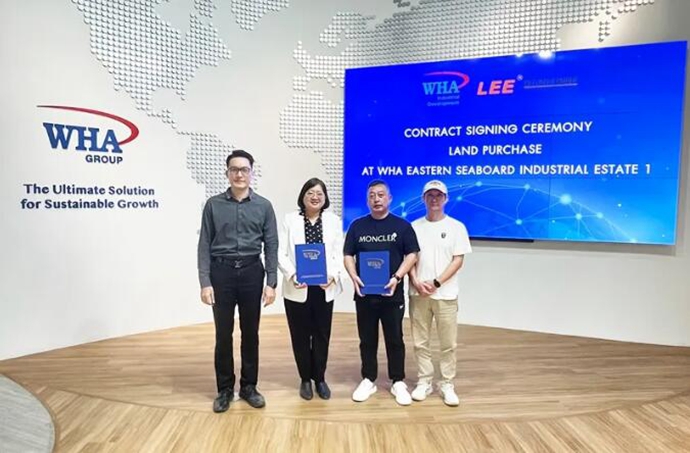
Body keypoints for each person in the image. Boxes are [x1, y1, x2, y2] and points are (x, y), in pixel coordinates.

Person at [197, 149, 278, 412]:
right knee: (223, 334)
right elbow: (204, 244)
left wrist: (271, 282)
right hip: (221, 274)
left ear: (252, 173)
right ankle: (224, 389)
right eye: (234, 169)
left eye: (244, 169)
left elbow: (272, 245)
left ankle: (248, 387)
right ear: (227, 173)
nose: (239, 174)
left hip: (252, 273)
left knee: (250, 333)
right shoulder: (213, 205)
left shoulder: (264, 206)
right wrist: (205, 281)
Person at [344, 179, 419, 406]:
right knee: (367, 339)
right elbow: (348, 255)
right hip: (365, 295)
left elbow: (412, 254)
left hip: (392, 295)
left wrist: (397, 277)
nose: (376, 199)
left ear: (389, 198)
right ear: (367, 200)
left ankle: (398, 381)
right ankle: (369, 379)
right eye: (372, 196)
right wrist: (353, 275)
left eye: (380, 195)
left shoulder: (402, 226)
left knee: (395, 338)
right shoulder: (357, 226)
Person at [278, 178, 344, 400]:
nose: (315, 197)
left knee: (322, 335)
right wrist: (292, 274)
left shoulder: (333, 221)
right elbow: (280, 253)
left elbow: (338, 253)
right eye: (310, 193)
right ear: (303, 196)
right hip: (298, 286)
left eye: (319, 193)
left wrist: (332, 275)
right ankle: (305, 378)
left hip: (324, 288)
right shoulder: (290, 220)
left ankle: (320, 378)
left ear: (325, 198)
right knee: (300, 335)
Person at [408, 180, 472, 407]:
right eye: (430, 195)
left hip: (446, 294)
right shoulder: (414, 227)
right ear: (423, 199)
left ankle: (446, 383)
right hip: (419, 294)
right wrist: (416, 281)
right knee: (420, 342)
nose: (434, 199)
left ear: (446, 199)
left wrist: (436, 282)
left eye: (438, 195)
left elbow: (458, 260)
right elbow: (410, 258)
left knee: (448, 343)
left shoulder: (457, 227)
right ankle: (424, 381)